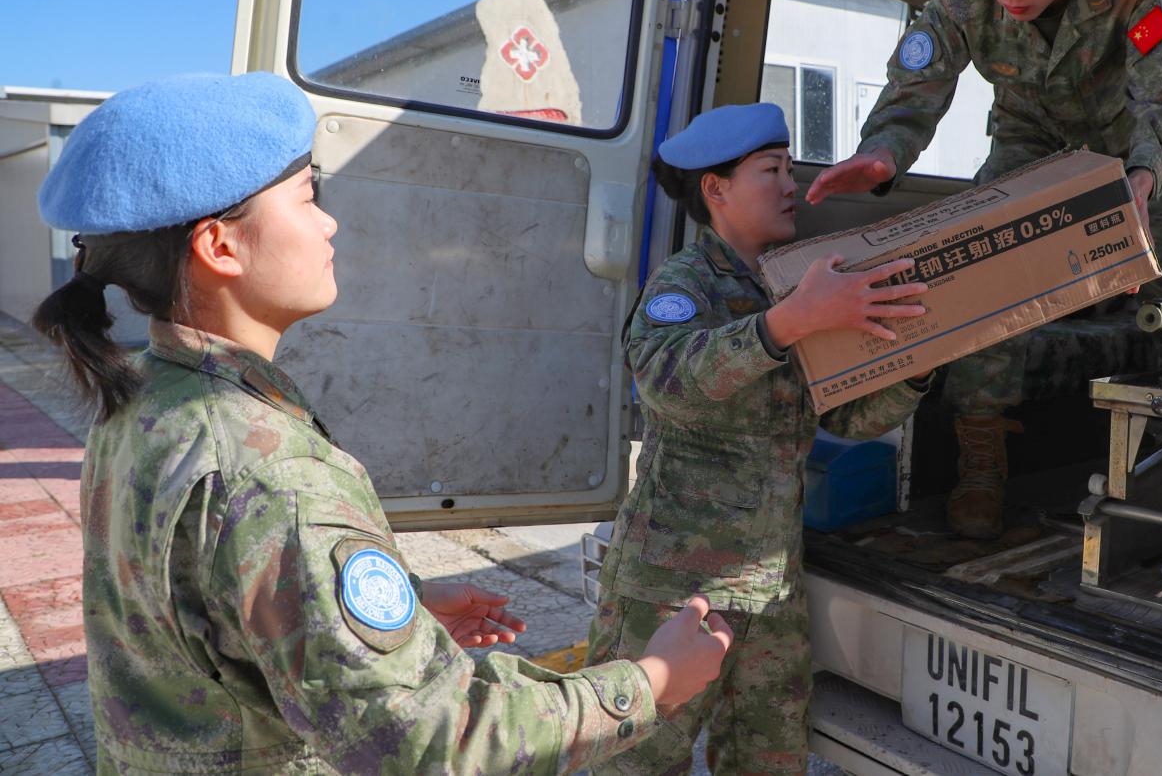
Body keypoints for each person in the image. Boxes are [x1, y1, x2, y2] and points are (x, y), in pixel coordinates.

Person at [31, 72, 733, 775]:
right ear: (220, 247)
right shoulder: (272, 472)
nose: (329, 222)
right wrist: (651, 683)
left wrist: (401, 608)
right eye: (308, 196)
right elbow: (436, 741)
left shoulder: (147, 397)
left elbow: (201, 603)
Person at [804, 0, 1162, 539]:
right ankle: (980, 458)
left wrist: (1144, 179)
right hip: (1030, 144)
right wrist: (882, 154)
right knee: (980, 274)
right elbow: (914, 90)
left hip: (1133, 151)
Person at [586, 103, 934, 775]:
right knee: (634, 762)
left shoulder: (794, 283)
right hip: (673, 589)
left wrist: (916, 367)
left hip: (770, 594)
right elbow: (666, 381)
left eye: (790, 168)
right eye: (770, 170)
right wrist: (787, 324)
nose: (789, 185)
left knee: (767, 764)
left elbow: (845, 417)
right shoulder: (686, 284)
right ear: (716, 189)